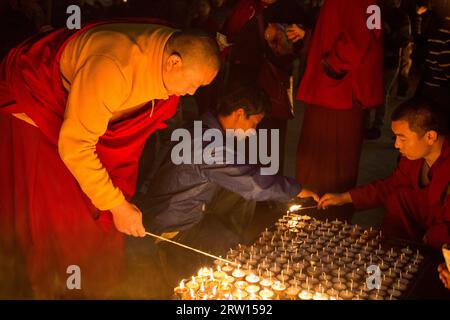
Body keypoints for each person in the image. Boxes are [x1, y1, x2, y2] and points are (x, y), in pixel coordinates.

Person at [0, 21, 220, 298]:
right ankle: (58, 285)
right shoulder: (114, 67)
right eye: (193, 83)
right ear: (174, 62)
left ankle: (95, 281)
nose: (191, 93)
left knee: (100, 200)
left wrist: (115, 203)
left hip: (87, 118)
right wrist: (116, 205)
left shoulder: (167, 51)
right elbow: (76, 146)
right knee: (60, 208)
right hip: (41, 112)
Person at [133, 85, 318, 287]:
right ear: (239, 114)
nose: (253, 132)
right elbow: (253, 184)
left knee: (239, 198)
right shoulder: (206, 144)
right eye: (254, 123)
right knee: (230, 248)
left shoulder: (202, 126)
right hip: (172, 224)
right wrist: (295, 190)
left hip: (179, 210)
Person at [318, 98, 450, 251]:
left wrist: (429, 240)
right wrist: (345, 197)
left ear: (430, 137)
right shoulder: (413, 158)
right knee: (398, 196)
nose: (397, 145)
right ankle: (393, 252)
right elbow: (391, 185)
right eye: (396, 138)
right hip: (426, 224)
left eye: (402, 138)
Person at [295, 0, 384, 221]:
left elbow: (358, 40)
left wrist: (331, 66)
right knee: (336, 159)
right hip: (340, 92)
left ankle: (323, 215)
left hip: (336, 91)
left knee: (324, 160)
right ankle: (326, 214)